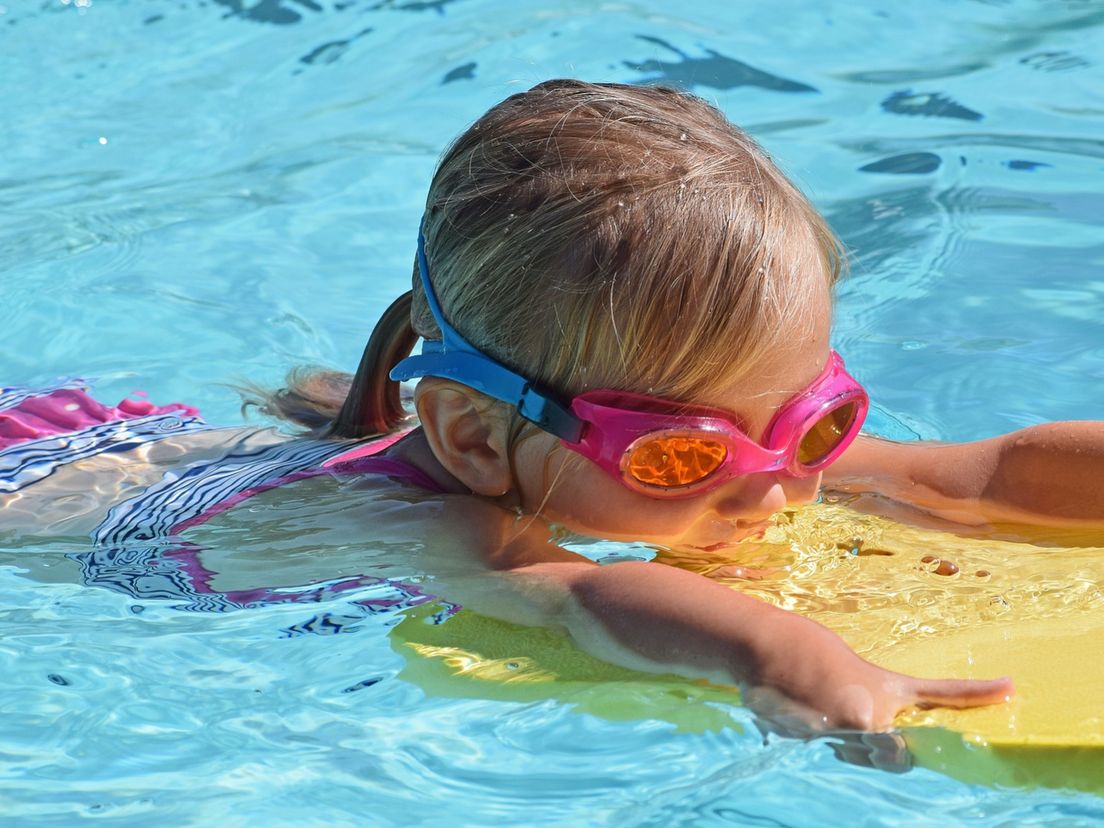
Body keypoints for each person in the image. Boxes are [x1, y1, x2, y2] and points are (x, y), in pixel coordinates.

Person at [4, 80, 1102, 733]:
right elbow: (570, 596)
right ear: (478, 442)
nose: (785, 482)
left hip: (169, 454)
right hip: (54, 516)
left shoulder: (739, 464)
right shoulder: (444, 524)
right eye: (681, 458)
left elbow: (982, 473)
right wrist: (785, 656)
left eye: (816, 419)